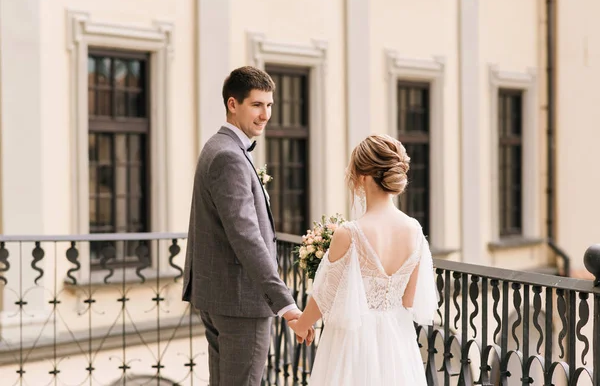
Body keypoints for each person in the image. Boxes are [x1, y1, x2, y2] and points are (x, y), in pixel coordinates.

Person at [182, 66, 313, 385]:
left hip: (219, 297)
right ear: (233, 104)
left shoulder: (218, 146)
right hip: (241, 303)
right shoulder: (229, 156)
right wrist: (286, 305)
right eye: (256, 105)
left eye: (269, 105)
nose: (265, 114)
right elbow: (246, 237)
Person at [291, 134, 438, 385]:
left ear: (361, 177)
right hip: (397, 345)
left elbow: (325, 296)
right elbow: (408, 299)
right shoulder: (414, 231)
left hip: (352, 344)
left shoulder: (349, 234)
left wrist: (301, 324)